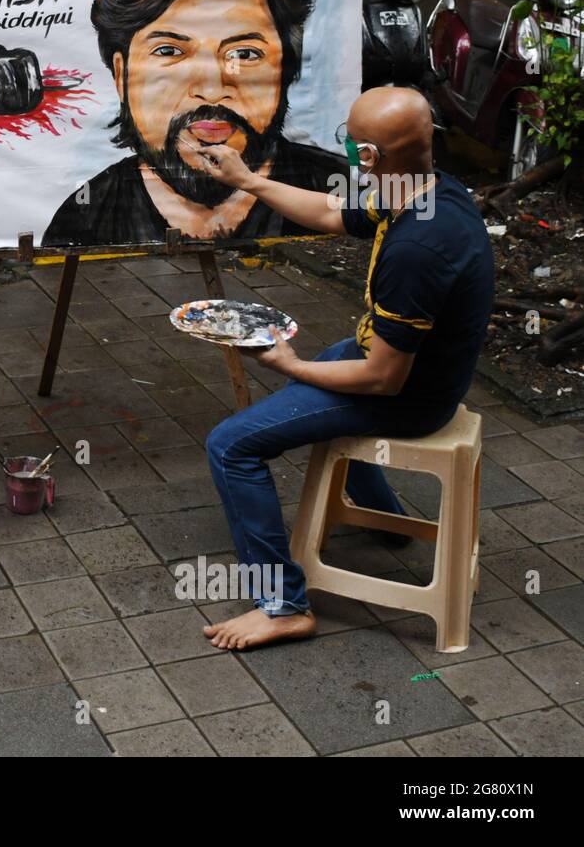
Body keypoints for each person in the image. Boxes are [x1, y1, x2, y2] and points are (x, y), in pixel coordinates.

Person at [191, 86, 494, 650]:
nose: (347, 151)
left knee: (231, 446)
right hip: (403, 367)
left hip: (407, 398)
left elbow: (382, 379)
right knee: (327, 367)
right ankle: (381, 518)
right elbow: (332, 210)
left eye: (349, 142)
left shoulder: (417, 249)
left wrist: (289, 363)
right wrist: (246, 180)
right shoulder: (429, 190)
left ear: (371, 159)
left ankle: (283, 606)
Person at [42, 0, 345, 246]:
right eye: (170, 51)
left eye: (244, 54)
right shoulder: (84, 219)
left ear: (285, 69)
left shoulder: (340, 192)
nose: (212, 89)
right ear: (120, 74)